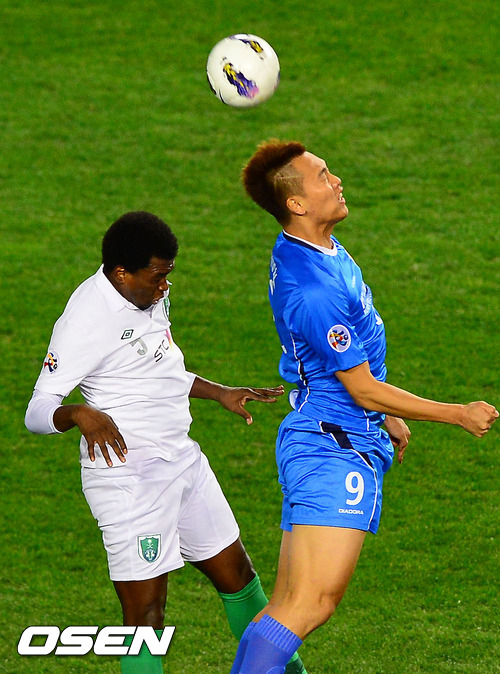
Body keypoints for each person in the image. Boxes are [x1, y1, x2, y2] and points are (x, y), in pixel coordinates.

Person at [230, 141, 498, 673]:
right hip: (333, 446)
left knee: (290, 605)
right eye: (322, 176)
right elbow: (362, 389)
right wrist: (457, 414)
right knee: (308, 606)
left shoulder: (320, 249)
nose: (336, 180)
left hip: (334, 434)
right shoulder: (313, 289)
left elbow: (357, 364)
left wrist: (387, 414)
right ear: (296, 204)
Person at [25, 211, 306, 674]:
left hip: (182, 460)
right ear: (122, 273)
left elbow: (158, 368)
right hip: (129, 478)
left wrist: (219, 392)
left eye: (168, 275)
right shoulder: (84, 321)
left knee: (240, 578)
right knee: (146, 617)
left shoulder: (147, 294)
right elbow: (36, 411)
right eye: (157, 277)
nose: (165, 288)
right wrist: (77, 413)